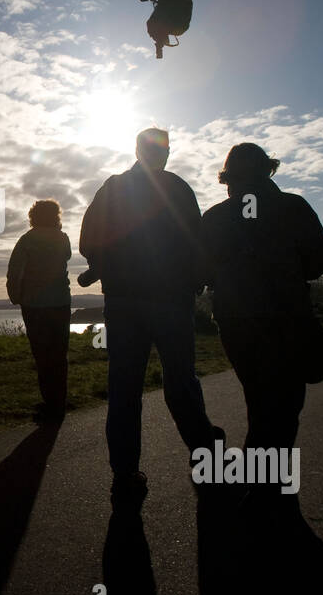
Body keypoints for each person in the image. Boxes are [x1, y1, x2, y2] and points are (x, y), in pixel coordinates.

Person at [79, 128, 222, 504]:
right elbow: (198, 244)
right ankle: (205, 453)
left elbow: (87, 241)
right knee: (181, 381)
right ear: (164, 153)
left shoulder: (112, 188)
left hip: (124, 302)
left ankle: (125, 474)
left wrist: (105, 264)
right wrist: (196, 281)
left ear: (137, 150)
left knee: (125, 387)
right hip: (170, 300)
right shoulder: (179, 189)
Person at [200, 144, 323, 498]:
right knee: (285, 403)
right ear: (267, 171)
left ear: (229, 178)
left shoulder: (215, 216)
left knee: (259, 398)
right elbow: (321, 258)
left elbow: (200, 269)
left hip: (235, 320)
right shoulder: (293, 206)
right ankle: (265, 489)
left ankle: (260, 484)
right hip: (286, 315)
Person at [6, 199, 71, 419]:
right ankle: (59, 402)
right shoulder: (63, 239)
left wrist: (15, 295)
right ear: (56, 216)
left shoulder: (27, 240)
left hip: (34, 304)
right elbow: (67, 257)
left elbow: (14, 271)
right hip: (61, 302)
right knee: (59, 353)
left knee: (42, 354)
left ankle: (49, 402)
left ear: (33, 216)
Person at [135, 0, 201, 59]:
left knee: (151, 24)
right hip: (180, 26)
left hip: (175, 17)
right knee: (156, 24)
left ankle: (161, 42)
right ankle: (161, 41)